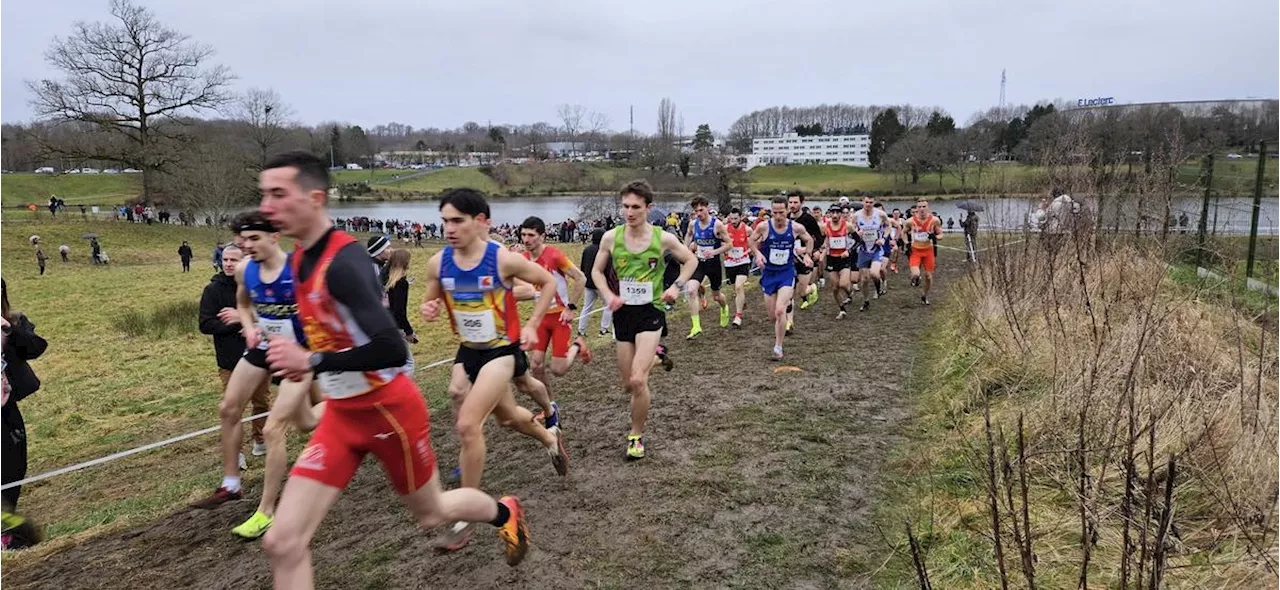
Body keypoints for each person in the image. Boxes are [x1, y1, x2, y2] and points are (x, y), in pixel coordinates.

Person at [256, 153, 531, 586]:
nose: (267, 207)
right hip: (342, 416)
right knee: (282, 543)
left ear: (314, 198)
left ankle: (504, 512)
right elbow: (331, 333)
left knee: (432, 512)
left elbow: (389, 348)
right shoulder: (298, 260)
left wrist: (311, 360)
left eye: (278, 194)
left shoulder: (344, 263)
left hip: (389, 413)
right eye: (263, 195)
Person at [418, 189, 566, 552]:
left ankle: (464, 515)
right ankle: (549, 438)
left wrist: (531, 326)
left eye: (457, 220)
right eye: (444, 221)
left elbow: (545, 283)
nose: (449, 229)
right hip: (468, 350)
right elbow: (430, 296)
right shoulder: (438, 263)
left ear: (481, 221)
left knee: (468, 424)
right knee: (507, 418)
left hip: (502, 351)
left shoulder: (501, 259)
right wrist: (430, 308)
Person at [190, 211, 315, 530]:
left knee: (299, 425)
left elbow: (322, 312)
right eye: (242, 240)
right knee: (228, 408)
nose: (246, 246)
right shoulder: (247, 269)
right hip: (261, 348)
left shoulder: (298, 270)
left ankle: (266, 511)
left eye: (254, 239)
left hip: (297, 355)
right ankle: (231, 484)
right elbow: (244, 305)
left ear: (275, 237)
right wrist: (249, 327)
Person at [591, 180, 696, 460]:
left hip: (651, 312)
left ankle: (635, 436)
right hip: (623, 313)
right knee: (627, 384)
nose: (629, 212)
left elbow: (691, 261)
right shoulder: (611, 238)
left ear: (648, 208)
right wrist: (606, 295)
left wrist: (676, 286)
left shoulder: (663, 239)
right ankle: (659, 359)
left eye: (635, 207)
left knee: (638, 381)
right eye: (625, 206)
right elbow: (597, 272)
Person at [197, 243, 271, 460]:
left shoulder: (255, 285)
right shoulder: (212, 290)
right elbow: (205, 324)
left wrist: (249, 321)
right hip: (230, 359)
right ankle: (236, 452)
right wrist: (236, 326)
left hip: (258, 355)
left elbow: (268, 314)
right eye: (225, 259)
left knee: (262, 402)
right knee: (234, 407)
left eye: (233, 260)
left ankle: (261, 440)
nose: (228, 264)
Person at [516, 216, 593, 400]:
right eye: (523, 235)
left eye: (531, 235)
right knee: (536, 366)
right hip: (541, 317)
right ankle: (550, 405)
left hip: (560, 316)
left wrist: (570, 307)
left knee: (558, 369)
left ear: (542, 236)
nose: (526, 240)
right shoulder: (523, 260)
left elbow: (581, 278)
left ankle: (577, 344)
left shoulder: (554, 255)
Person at [0, 275, 48, 551]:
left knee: (15, 468)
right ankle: (10, 531)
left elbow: (36, 347)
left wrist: (11, 329)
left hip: (6, 410)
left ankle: (8, 528)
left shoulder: (10, 324)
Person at [750, 196, 814, 360]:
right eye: (775, 212)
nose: (778, 216)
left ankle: (778, 347)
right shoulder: (764, 227)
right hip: (769, 274)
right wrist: (757, 254)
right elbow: (751, 240)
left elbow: (809, 239)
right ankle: (781, 326)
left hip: (786, 273)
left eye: (781, 212)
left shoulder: (795, 227)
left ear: (787, 211)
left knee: (780, 310)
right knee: (773, 317)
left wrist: (807, 255)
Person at [683, 196, 732, 338]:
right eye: (696, 211)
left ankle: (724, 308)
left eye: (701, 210)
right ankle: (696, 326)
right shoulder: (693, 224)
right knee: (691, 290)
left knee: (716, 296)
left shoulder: (717, 225)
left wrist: (714, 252)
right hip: (699, 262)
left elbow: (729, 244)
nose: (699, 213)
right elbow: (689, 235)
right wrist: (686, 249)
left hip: (714, 263)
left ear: (707, 208)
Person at [787, 192, 822, 314]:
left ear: (801, 203)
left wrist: (810, 250)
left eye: (795, 202)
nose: (792, 205)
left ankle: (812, 288)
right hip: (789, 258)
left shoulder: (808, 219)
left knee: (801, 292)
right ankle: (788, 322)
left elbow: (819, 238)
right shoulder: (785, 217)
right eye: (790, 202)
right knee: (788, 293)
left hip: (804, 257)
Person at [851, 196, 888, 312]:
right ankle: (866, 300)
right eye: (866, 202)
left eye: (871, 202)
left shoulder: (880, 214)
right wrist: (858, 234)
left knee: (874, 274)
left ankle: (878, 287)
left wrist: (884, 238)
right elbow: (851, 230)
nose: (868, 204)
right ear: (863, 202)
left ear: (873, 203)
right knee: (864, 280)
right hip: (863, 249)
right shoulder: (856, 215)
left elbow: (888, 226)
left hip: (876, 248)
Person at [906, 199, 944, 305]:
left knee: (928, 276)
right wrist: (906, 243)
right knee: (915, 274)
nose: (922, 209)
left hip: (928, 251)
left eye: (924, 206)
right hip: (915, 251)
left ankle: (924, 295)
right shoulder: (910, 221)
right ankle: (915, 278)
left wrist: (935, 236)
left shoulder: (934, 220)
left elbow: (941, 235)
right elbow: (904, 232)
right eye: (919, 207)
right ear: (916, 209)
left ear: (928, 208)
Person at [578, 229, 613, 337]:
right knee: (608, 306)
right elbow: (608, 269)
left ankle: (581, 330)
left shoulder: (587, 250)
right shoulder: (605, 251)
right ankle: (603, 330)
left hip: (588, 283)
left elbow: (582, 266)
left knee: (587, 307)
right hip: (601, 284)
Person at [820, 205, 853, 319]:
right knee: (835, 288)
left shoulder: (847, 225)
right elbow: (821, 239)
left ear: (841, 214)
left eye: (837, 213)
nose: (834, 215)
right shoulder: (824, 226)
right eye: (832, 213)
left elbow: (858, 241)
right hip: (831, 259)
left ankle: (850, 293)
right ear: (829, 214)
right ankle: (842, 309)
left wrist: (848, 251)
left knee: (843, 284)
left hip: (844, 258)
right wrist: (822, 246)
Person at [723, 208, 753, 327]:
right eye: (731, 218)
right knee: (735, 289)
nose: (733, 221)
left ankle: (738, 316)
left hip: (743, 261)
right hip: (729, 262)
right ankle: (741, 301)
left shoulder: (747, 229)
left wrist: (748, 251)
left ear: (741, 217)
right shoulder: (725, 229)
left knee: (739, 286)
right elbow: (721, 241)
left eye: (736, 218)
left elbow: (755, 242)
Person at [383, 249, 418, 347]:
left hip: (385, 323)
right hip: (396, 327)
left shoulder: (388, 280)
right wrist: (409, 331)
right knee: (408, 361)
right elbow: (399, 311)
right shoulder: (401, 283)